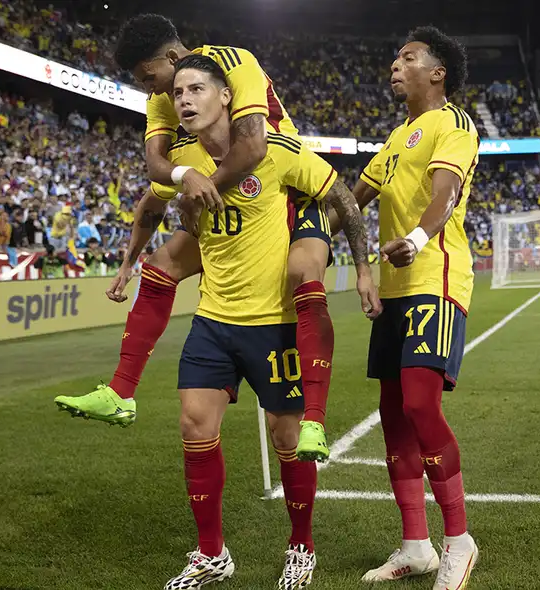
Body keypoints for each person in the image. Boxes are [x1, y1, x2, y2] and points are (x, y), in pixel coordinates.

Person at [74, 55, 374, 589]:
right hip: (213, 321)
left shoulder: (278, 152)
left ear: (227, 97)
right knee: (194, 425)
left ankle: (301, 545)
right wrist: (128, 261)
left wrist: (364, 268)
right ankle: (212, 553)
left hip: (274, 324)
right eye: (179, 92)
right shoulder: (182, 160)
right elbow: (150, 204)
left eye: (196, 90)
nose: (183, 100)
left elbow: (343, 200)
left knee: (288, 439)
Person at [57, 14, 337, 462]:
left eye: (150, 78)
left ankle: (315, 418)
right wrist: (186, 179)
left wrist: (203, 189)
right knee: (161, 265)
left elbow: (253, 148)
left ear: (173, 58)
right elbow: (156, 167)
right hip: (225, 194)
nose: (152, 91)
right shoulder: (163, 98)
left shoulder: (234, 64)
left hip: (288, 193)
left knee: (302, 272)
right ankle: (121, 393)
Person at [341, 27, 480, 589]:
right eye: (395, 57)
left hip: (436, 278)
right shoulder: (397, 137)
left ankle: (460, 540)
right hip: (395, 293)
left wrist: (418, 241)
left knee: (422, 406)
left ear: (437, 71)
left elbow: (444, 192)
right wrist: (356, 261)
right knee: (394, 418)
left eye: (408, 57)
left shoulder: (455, 125)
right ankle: (416, 546)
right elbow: (352, 202)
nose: (396, 65)